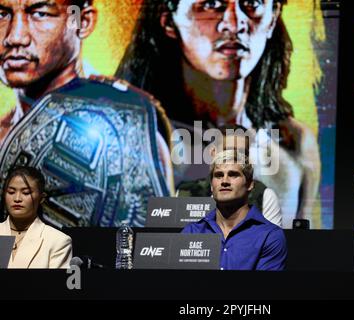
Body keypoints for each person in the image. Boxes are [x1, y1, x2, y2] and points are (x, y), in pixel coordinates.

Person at [116, 0, 321, 229]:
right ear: (168, 20)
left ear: (273, 18)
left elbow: (306, 253)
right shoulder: (136, 138)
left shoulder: (295, 144)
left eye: (252, 3)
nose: (234, 24)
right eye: (212, 4)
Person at [0, 0, 174, 227]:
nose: (15, 37)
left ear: (83, 21)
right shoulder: (6, 128)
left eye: (40, 14)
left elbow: (152, 250)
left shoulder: (122, 124)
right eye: (2, 15)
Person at [182, 149, 287, 271]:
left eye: (233, 174)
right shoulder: (191, 232)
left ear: (250, 184)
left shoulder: (269, 236)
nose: (225, 181)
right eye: (218, 175)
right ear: (211, 186)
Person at [177, 124, 282, 226]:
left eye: (242, 153)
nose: (235, 158)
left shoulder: (264, 196)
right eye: (228, 151)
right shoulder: (186, 193)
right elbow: (176, 239)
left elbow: (272, 241)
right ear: (213, 153)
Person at [0, 166, 72, 268]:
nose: (17, 198)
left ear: (41, 198)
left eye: (26, 193)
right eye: (11, 192)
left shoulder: (57, 241)